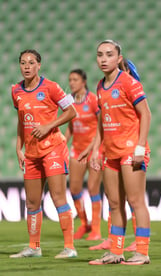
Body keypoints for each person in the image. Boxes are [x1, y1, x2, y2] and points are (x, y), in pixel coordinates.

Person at [88, 40, 151, 265]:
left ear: (119, 58)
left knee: (135, 202)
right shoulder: (99, 86)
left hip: (131, 150)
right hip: (110, 153)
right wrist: (96, 150)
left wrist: (140, 147)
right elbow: (102, 123)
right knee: (114, 203)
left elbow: (146, 114)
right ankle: (116, 251)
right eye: (100, 55)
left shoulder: (129, 82)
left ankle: (142, 252)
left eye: (109, 54)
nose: (103, 59)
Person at [10, 49, 77, 258]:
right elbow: (22, 122)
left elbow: (72, 111)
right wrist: (18, 147)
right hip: (31, 153)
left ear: (39, 65)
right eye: (23, 63)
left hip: (53, 149)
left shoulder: (51, 87)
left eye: (31, 62)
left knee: (58, 197)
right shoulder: (16, 91)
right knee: (32, 202)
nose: (27, 66)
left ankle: (69, 247)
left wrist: (49, 125)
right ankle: (34, 247)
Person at [64, 69, 103, 241]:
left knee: (93, 188)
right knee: (74, 189)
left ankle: (95, 229)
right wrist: (62, 142)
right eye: (70, 79)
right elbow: (70, 126)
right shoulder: (68, 102)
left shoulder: (93, 100)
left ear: (83, 82)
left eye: (75, 79)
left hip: (94, 150)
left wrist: (96, 147)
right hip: (77, 150)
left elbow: (101, 124)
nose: (72, 82)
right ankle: (84, 223)